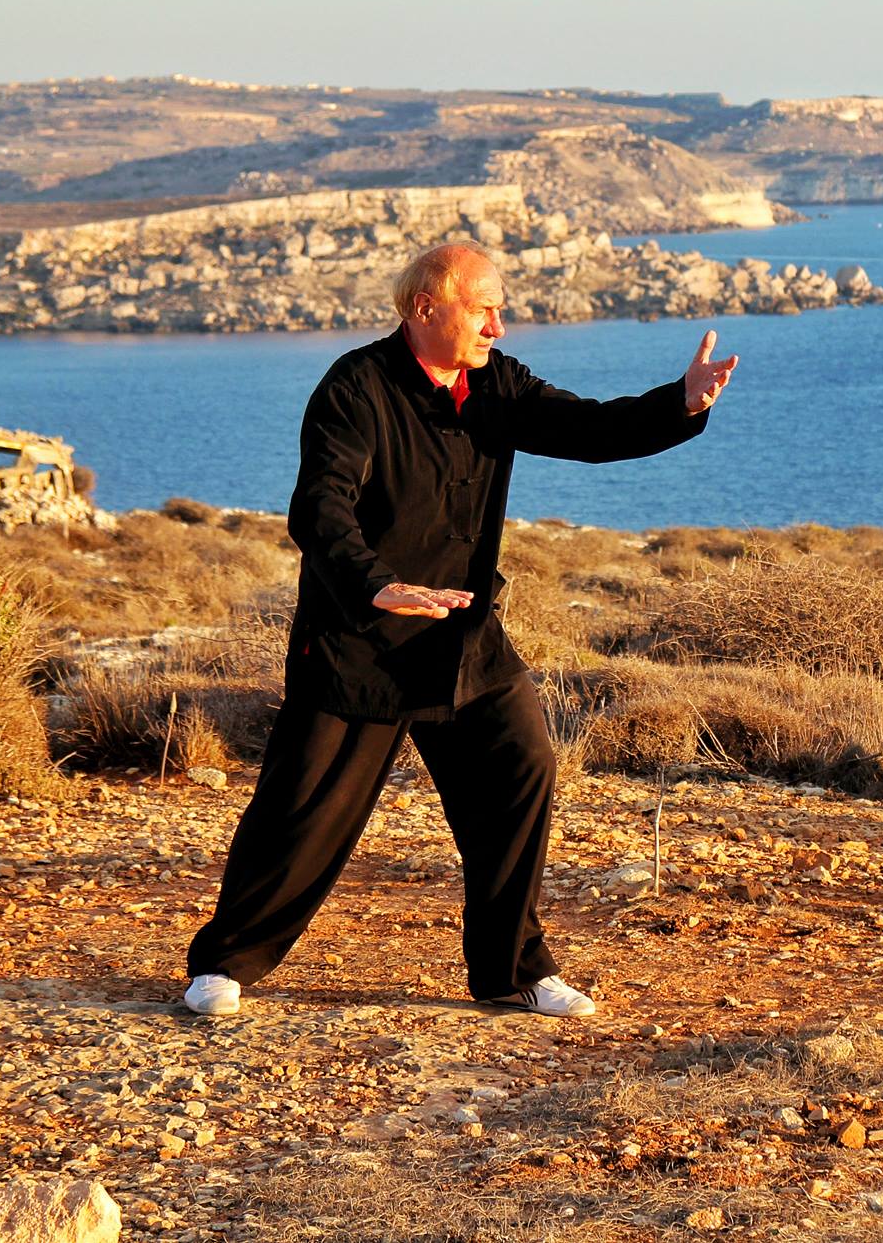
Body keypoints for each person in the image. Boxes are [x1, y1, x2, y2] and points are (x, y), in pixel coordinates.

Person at [183, 242, 736, 1017]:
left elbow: (587, 427)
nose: (497, 326)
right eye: (483, 309)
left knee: (521, 769)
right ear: (426, 308)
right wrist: (377, 585)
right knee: (302, 808)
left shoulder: (497, 384)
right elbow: (320, 507)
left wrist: (681, 401)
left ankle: (512, 970)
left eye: (497, 311)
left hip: (463, 639)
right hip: (358, 639)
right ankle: (224, 962)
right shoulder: (355, 387)